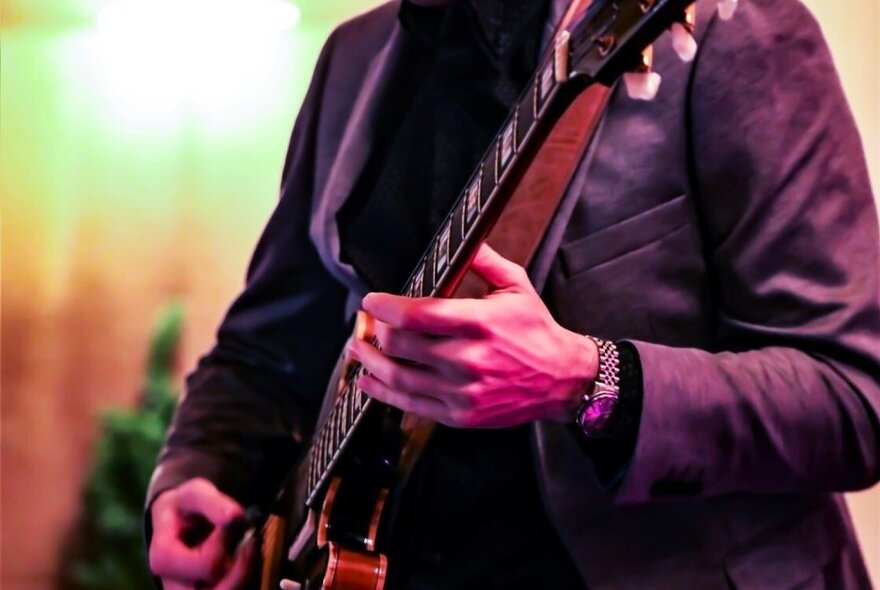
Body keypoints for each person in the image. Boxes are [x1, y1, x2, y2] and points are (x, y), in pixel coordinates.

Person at [146, 0, 880, 588]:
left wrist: (591, 383)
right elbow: (268, 350)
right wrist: (202, 470)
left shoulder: (737, 30)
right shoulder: (353, 57)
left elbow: (856, 399)